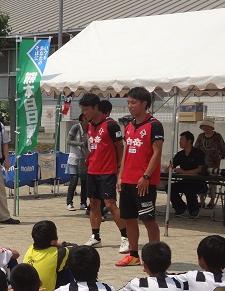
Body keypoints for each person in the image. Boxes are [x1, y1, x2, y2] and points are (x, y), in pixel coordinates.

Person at [117, 86, 164, 267]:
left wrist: (146, 176)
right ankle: (133, 255)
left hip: (144, 181)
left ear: (144, 104)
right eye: (128, 102)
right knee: (128, 218)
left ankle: (155, 258)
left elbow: (157, 153)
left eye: (133, 102)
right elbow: (126, 153)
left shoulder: (154, 125)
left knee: (148, 219)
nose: (130, 106)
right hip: (127, 180)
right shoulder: (129, 126)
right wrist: (121, 176)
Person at [79, 94, 128, 253]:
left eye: (87, 109)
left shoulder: (111, 125)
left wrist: (120, 167)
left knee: (110, 204)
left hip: (107, 172)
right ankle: (96, 237)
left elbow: (120, 147)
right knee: (94, 204)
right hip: (92, 170)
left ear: (96, 107)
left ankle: (125, 237)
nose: (84, 112)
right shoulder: (90, 125)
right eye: (83, 109)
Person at [22, 220, 71, 291]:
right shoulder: (60, 252)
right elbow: (77, 248)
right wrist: (61, 243)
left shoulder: (31, 248)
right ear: (53, 240)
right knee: (69, 264)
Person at [170, 131, 206, 218]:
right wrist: (173, 169)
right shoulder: (180, 155)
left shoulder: (198, 153)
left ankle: (194, 209)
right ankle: (180, 207)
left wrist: (185, 172)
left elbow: (200, 168)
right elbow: (170, 166)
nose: (180, 142)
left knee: (189, 189)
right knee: (170, 187)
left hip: (198, 182)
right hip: (185, 181)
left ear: (189, 141)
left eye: (182, 139)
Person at [194, 117, 225, 209]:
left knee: (213, 181)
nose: (205, 128)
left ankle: (212, 200)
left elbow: (222, 148)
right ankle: (201, 199)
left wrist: (222, 156)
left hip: (214, 163)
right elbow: (196, 148)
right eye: (204, 126)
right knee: (200, 180)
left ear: (211, 127)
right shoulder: (200, 136)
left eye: (207, 126)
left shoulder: (217, 136)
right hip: (202, 163)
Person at [65, 112, 89, 211]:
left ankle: (83, 203)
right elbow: (68, 141)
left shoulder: (91, 127)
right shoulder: (76, 127)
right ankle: (69, 202)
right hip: (74, 157)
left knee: (84, 181)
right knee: (74, 180)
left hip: (85, 158)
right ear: (83, 118)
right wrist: (80, 143)